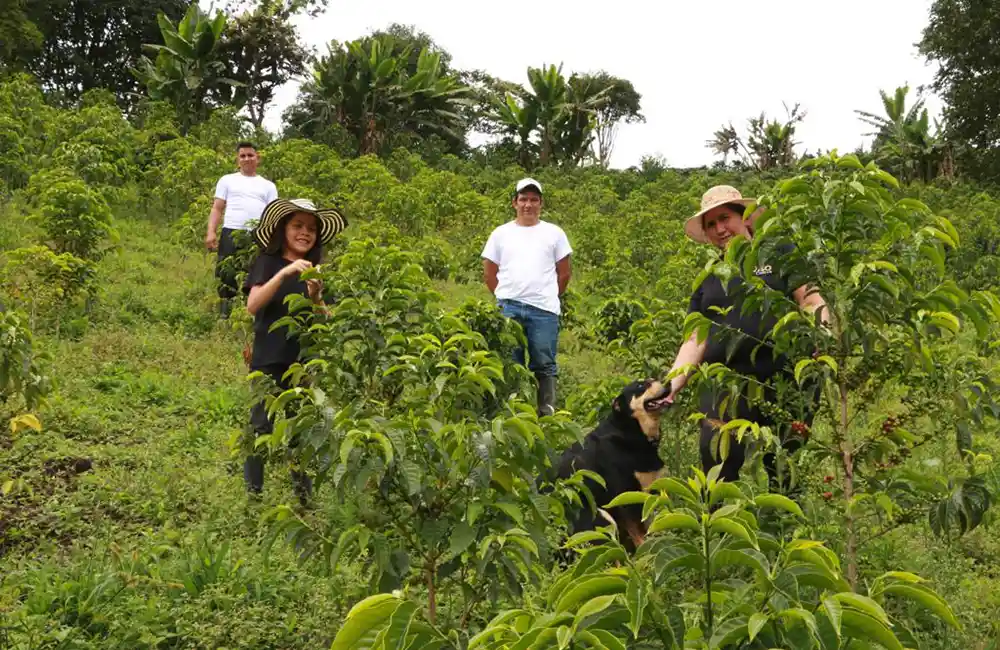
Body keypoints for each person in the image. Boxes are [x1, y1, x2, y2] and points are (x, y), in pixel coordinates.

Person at [663, 185, 828, 488]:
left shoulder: (779, 253)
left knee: (784, 462)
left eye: (724, 218)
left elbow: (811, 299)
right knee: (717, 457)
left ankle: (782, 526)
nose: (719, 229)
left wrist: (821, 336)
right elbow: (695, 339)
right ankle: (719, 527)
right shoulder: (710, 276)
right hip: (726, 384)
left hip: (785, 378)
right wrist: (670, 385)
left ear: (746, 219)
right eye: (710, 224)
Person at [242, 197, 348, 503]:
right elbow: (253, 305)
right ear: (283, 229)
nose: (305, 233)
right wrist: (284, 274)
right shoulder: (268, 262)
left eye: (311, 228)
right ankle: (254, 497)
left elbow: (326, 323)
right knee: (261, 426)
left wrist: (316, 296)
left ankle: (304, 498)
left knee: (301, 432)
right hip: (269, 359)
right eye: (298, 226)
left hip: (303, 362)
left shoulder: (315, 270)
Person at [482, 178, 573, 416]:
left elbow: (564, 273)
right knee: (511, 364)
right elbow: (489, 272)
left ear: (541, 204)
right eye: (523, 199)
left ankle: (547, 414)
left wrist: (548, 296)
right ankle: (512, 414)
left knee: (544, 364)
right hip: (508, 309)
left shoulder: (554, 233)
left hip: (544, 311)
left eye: (533, 200)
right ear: (514, 203)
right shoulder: (500, 234)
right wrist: (505, 296)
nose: (528, 205)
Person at [206, 142, 278, 319]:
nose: (247, 159)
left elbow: (274, 214)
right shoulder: (227, 180)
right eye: (243, 156)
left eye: (250, 155)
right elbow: (217, 208)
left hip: (257, 235)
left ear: (257, 158)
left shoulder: (268, 186)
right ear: (238, 160)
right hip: (231, 231)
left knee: (255, 273)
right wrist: (211, 232)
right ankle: (225, 312)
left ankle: (252, 313)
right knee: (226, 272)